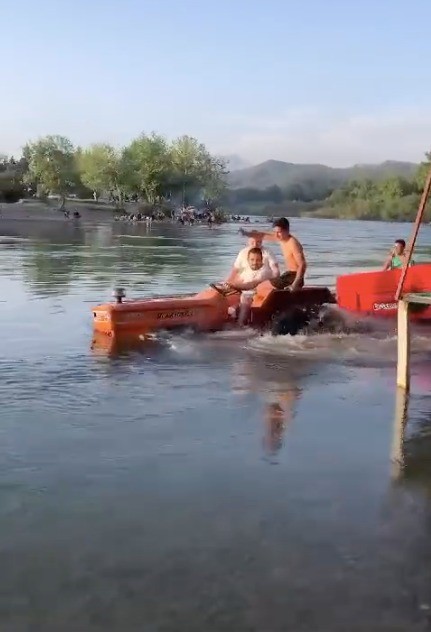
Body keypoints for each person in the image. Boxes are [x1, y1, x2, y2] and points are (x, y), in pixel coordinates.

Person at [240, 217, 306, 292]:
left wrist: (295, 284)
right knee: (266, 280)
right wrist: (246, 233)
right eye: (275, 232)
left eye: (279, 232)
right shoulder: (282, 238)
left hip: (295, 277)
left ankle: (248, 290)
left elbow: (302, 265)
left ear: (287, 230)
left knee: (265, 281)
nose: (276, 235)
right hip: (289, 274)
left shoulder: (293, 243)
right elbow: (262, 235)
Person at [224, 247, 274, 326]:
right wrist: (228, 285)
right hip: (246, 294)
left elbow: (251, 284)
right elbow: (238, 281)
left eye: (258, 260)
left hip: (259, 297)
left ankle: (240, 325)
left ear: (262, 261)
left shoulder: (264, 272)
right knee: (231, 298)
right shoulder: (247, 271)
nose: (254, 262)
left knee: (245, 298)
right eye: (252, 260)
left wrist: (234, 285)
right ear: (248, 260)